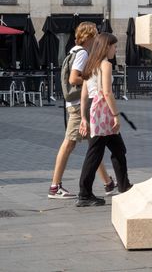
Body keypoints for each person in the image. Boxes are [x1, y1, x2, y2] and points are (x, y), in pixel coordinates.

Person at [48, 22, 115, 199]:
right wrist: (92, 77)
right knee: (69, 143)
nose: (97, 40)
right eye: (95, 36)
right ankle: (55, 187)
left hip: (77, 104)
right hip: (79, 106)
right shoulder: (83, 53)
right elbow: (73, 79)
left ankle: (108, 183)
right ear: (89, 38)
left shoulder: (73, 50)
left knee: (95, 144)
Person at [76, 33, 132, 206]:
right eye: (114, 46)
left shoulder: (91, 64)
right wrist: (116, 115)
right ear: (106, 47)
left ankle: (124, 185)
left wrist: (84, 117)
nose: (116, 49)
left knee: (118, 148)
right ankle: (84, 195)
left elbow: (84, 94)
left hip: (94, 109)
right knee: (95, 152)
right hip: (103, 110)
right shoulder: (105, 65)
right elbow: (107, 92)